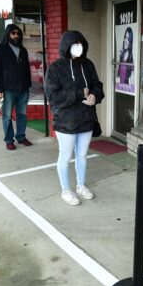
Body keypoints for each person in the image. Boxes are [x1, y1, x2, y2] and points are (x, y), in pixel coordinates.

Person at [44, 30, 104, 206]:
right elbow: (53, 97)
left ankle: (81, 185)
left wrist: (95, 95)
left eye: (81, 44)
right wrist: (79, 94)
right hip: (65, 121)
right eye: (74, 44)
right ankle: (66, 190)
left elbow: (97, 85)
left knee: (82, 155)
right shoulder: (55, 68)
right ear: (66, 46)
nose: (79, 48)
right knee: (65, 156)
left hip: (86, 119)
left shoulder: (88, 64)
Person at [0, 24, 33, 150]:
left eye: (18, 33)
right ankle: (9, 140)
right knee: (7, 116)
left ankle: (21, 137)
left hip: (23, 89)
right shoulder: (0, 49)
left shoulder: (23, 50)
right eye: (13, 33)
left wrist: (28, 85)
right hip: (8, 89)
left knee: (22, 114)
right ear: (8, 34)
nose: (16, 36)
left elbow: (27, 69)